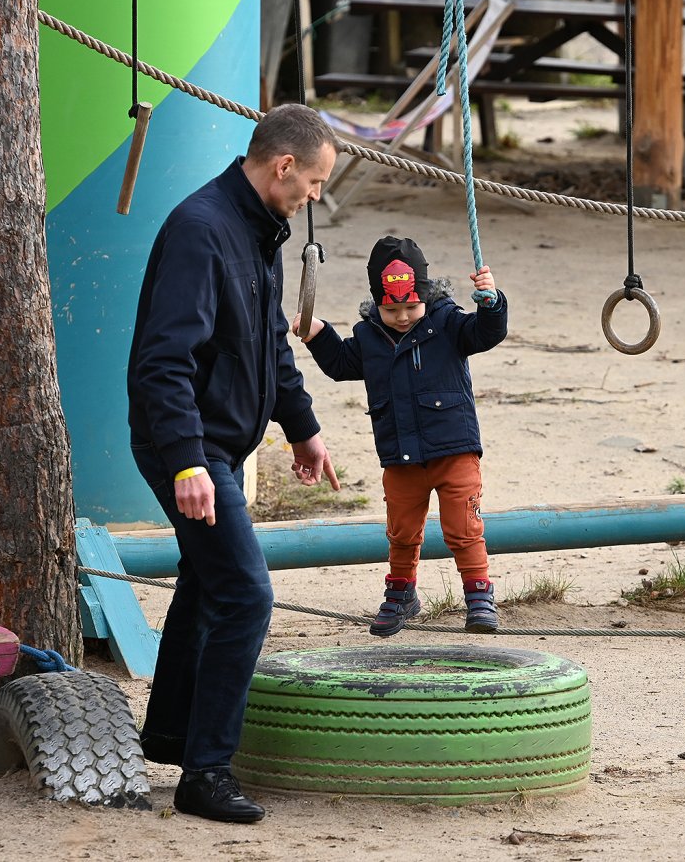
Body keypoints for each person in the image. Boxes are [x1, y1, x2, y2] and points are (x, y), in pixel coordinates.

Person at [127, 103, 339, 824]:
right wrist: (187, 461)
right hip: (185, 443)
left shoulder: (257, 231)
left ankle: (170, 735)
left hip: (214, 441)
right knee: (245, 593)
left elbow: (269, 343)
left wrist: (302, 426)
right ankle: (205, 772)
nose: (315, 197)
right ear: (284, 167)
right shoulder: (201, 231)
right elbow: (164, 362)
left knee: (207, 578)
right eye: (313, 183)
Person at [293, 235, 507, 637]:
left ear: (426, 295)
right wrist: (318, 333)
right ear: (378, 303)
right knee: (402, 530)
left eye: (411, 306)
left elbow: (485, 334)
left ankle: (478, 593)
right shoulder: (370, 336)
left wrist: (492, 303)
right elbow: (340, 364)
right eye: (392, 309)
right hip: (399, 454)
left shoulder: (449, 324)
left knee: (463, 527)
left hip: (453, 449)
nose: (404, 316)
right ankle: (402, 592)